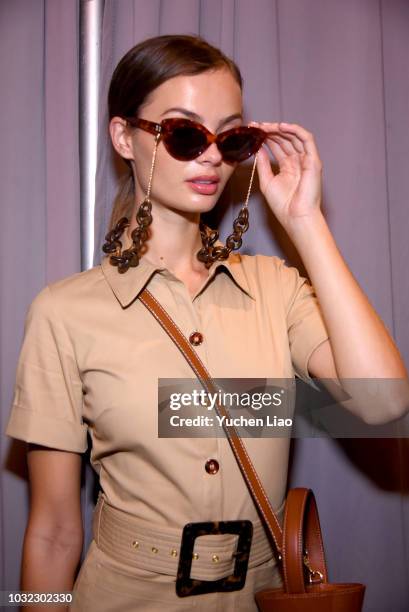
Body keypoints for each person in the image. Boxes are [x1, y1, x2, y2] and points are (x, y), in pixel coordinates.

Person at [5, 34, 408, 612]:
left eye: (232, 136)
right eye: (185, 134)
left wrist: (307, 222)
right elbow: (51, 533)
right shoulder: (63, 313)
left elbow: (384, 404)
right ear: (125, 137)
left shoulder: (276, 289)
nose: (213, 156)